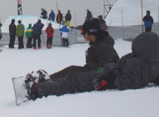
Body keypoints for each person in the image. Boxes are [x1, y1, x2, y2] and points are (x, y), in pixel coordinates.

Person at [20, 32, 159, 103]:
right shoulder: (148, 62)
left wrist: (110, 79)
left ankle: (38, 90)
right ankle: (45, 84)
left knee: (72, 82)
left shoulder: (137, 63)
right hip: (107, 72)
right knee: (72, 77)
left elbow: (130, 82)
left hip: (103, 77)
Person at [50, 19, 119, 79]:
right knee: (72, 71)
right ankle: (47, 80)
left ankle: (48, 81)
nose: (82, 35)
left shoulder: (104, 46)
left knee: (72, 73)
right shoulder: (94, 46)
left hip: (101, 78)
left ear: (91, 32)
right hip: (94, 75)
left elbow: (103, 69)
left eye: (83, 32)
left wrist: (89, 65)